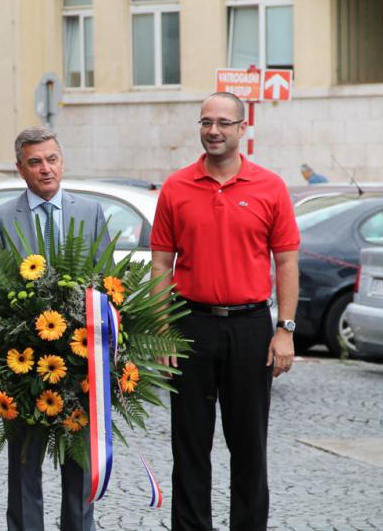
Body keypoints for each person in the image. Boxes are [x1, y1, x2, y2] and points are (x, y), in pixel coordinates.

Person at [150, 92, 300, 531]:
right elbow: (161, 264)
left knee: (249, 446)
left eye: (223, 123)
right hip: (190, 324)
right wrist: (161, 328)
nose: (213, 130)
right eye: (205, 122)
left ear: (242, 128)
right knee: (190, 445)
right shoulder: (176, 187)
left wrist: (285, 329)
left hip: (252, 327)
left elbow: (287, 261)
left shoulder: (270, 186)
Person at [0, 125, 110, 531]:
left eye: (52, 159)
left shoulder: (90, 213)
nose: (46, 169)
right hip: (25, 365)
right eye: (35, 162)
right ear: (21, 169)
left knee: (79, 462)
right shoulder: (0, 219)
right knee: (24, 466)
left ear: (62, 161)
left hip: (80, 361)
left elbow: (106, 284)